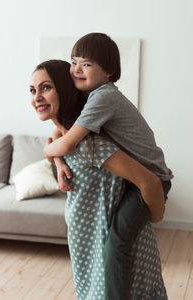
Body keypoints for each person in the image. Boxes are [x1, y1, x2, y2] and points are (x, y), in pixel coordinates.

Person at [43, 33, 173, 299]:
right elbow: (60, 136)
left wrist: (47, 151)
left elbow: (66, 144)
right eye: (74, 61)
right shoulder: (94, 99)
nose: (77, 69)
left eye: (87, 64)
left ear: (109, 71)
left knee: (116, 244)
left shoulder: (103, 97)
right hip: (137, 180)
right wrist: (56, 162)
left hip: (151, 180)